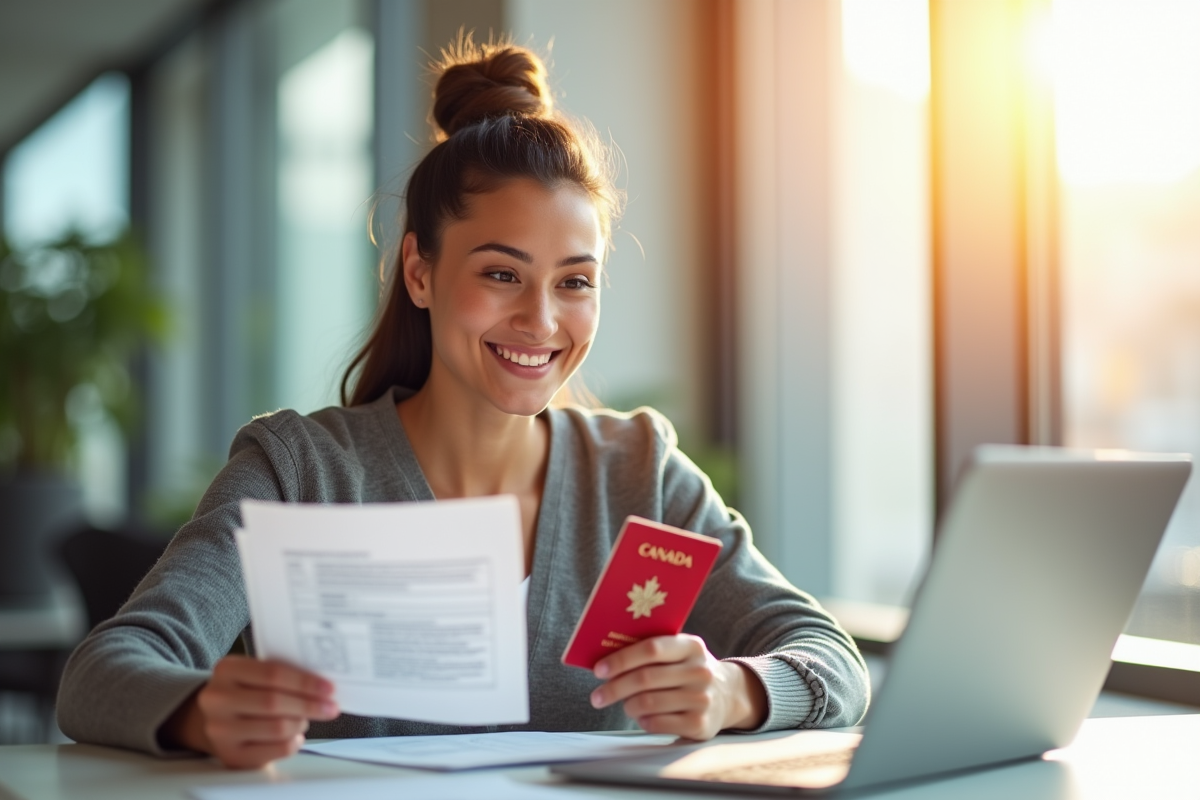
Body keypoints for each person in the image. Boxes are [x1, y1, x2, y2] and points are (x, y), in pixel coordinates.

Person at [56, 38, 869, 770]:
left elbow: (829, 658)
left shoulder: (639, 473)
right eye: (501, 273)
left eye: (575, 282)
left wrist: (736, 692)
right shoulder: (300, 472)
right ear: (419, 272)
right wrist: (201, 712)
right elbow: (102, 672)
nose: (541, 321)